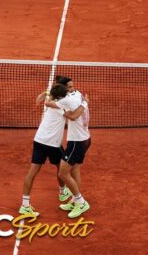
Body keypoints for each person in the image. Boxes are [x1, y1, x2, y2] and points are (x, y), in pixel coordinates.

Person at [19, 84, 86, 217]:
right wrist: (84, 103)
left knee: (32, 173)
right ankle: (67, 195)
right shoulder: (62, 107)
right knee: (62, 170)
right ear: (62, 97)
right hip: (53, 145)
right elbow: (74, 116)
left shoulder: (50, 103)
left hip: (39, 140)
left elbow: (52, 97)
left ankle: (25, 205)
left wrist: (44, 94)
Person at [45, 76, 91, 218]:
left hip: (77, 142)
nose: (71, 89)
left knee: (63, 173)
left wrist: (51, 97)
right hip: (84, 139)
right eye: (69, 87)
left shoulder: (66, 99)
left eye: (72, 86)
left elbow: (49, 104)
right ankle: (74, 200)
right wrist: (84, 103)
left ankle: (81, 202)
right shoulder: (78, 94)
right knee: (75, 170)